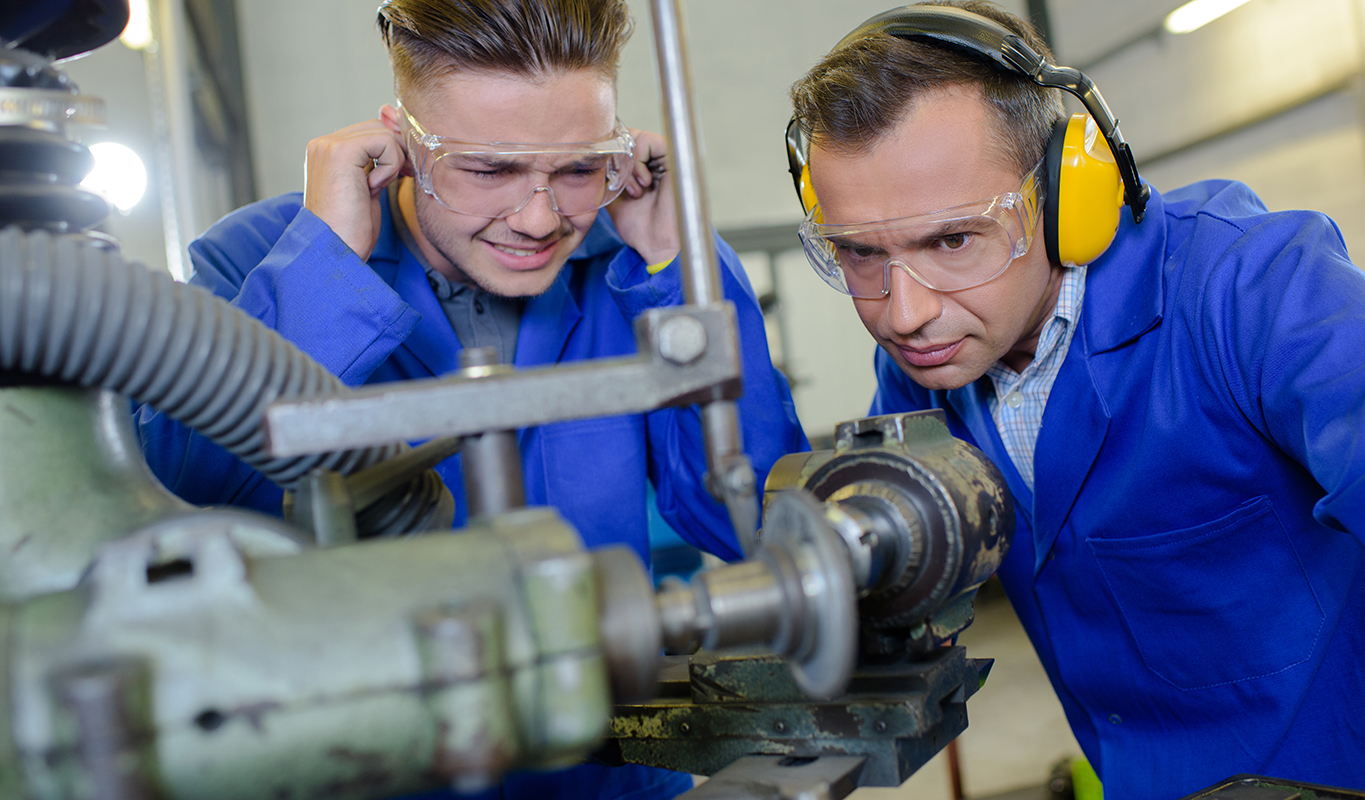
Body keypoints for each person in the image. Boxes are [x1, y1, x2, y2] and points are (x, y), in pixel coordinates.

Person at [136, 1, 806, 798]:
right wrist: (325, 269)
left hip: (611, 773)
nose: (538, 218)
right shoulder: (260, 258)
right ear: (400, 144)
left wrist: (676, 266)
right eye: (488, 171)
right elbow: (179, 507)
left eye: (577, 169)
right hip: (371, 774)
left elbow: (752, 526)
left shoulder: (641, 253)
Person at [788, 2, 1365, 799]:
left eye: (952, 240)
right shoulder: (927, 369)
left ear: (1067, 196)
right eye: (858, 253)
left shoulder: (1247, 289)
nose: (903, 313)